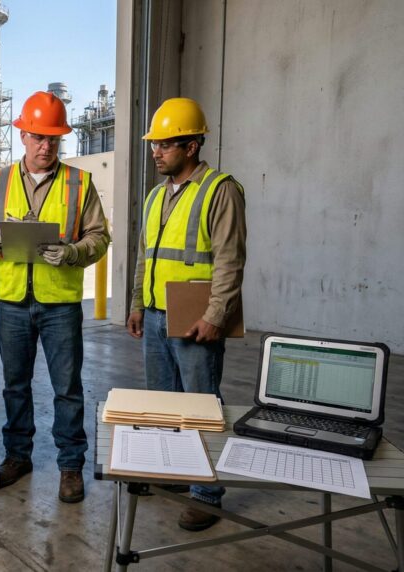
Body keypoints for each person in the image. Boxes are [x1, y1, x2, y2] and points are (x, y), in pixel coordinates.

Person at [0, 91, 110, 503]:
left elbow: (100, 237)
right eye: (38, 137)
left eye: (53, 139)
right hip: (12, 302)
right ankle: (18, 456)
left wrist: (72, 252)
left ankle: (71, 466)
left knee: (67, 388)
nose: (46, 146)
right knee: (15, 385)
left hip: (60, 305)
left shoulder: (79, 183)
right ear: (23, 137)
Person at [126, 97, 246, 531]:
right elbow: (145, 256)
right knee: (164, 407)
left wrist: (216, 315)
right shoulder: (157, 195)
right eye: (154, 144)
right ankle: (177, 475)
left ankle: (207, 495)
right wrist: (138, 304)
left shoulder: (220, 189)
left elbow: (230, 260)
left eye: (165, 144)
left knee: (200, 406)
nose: (156, 152)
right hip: (157, 316)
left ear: (192, 146)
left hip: (197, 318)